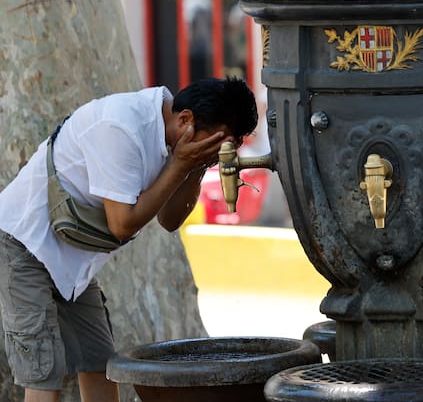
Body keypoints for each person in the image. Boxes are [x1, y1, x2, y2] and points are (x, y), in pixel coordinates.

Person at [0, 77, 258, 402]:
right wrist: (181, 164)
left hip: (73, 257)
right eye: (215, 144)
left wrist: (195, 167)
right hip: (23, 243)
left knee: (99, 360)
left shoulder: (175, 140)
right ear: (185, 120)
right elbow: (122, 224)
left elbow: (169, 220)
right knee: (43, 368)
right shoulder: (122, 127)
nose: (214, 154)